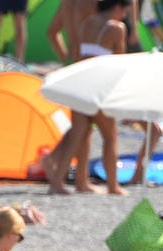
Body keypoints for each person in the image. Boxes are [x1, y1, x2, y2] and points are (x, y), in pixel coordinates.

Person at [44, 0, 133, 195]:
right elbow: (120, 60)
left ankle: (61, 182)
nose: (125, 16)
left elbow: (75, 50)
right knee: (110, 136)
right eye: (124, 11)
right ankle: (113, 185)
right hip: (99, 85)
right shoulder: (116, 28)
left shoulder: (87, 24)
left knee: (80, 135)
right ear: (117, 7)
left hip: (82, 82)